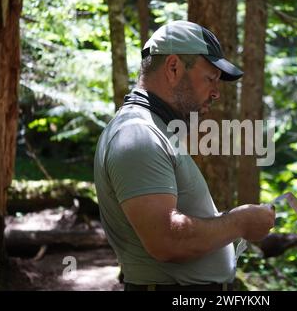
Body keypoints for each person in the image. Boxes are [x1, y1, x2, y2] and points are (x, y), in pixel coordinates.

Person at [94, 20, 275, 291]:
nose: (216, 93)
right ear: (174, 67)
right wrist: (239, 222)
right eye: (210, 78)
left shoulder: (152, 130)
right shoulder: (138, 135)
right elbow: (166, 241)